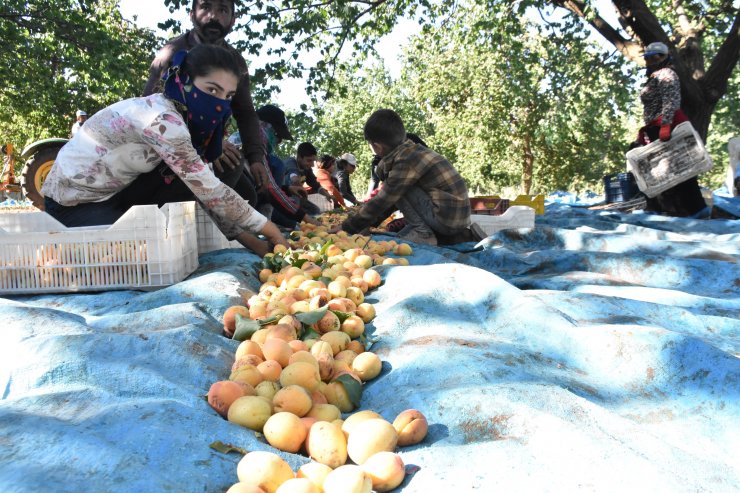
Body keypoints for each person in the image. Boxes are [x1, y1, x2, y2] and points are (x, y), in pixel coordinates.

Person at [41, 44, 288, 256]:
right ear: (184, 81)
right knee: (128, 257)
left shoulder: (184, 123)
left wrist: (253, 242)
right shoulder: (161, 120)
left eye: (228, 96)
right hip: (73, 202)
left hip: (117, 194)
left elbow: (205, 187)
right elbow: (211, 191)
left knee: (201, 175)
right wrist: (269, 229)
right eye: (211, 90)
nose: (219, 103)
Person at [143, 0, 270, 192]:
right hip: (167, 148)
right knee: (230, 167)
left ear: (233, 20)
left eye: (222, 10)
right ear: (192, 14)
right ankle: (183, 216)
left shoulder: (236, 62)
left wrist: (256, 158)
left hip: (208, 144)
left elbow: (245, 112)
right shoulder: (171, 53)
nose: (213, 16)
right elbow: (150, 110)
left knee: (249, 193)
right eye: (205, 7)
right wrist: (210, 143)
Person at [336, 110, 482, 246]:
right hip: (455, 218)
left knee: (395, 187)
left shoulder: (406, 161)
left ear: (377, 147)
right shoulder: (412, 152)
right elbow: (391, 203)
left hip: (447, 220)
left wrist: (349, 227)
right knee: (400, 235)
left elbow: (385, 199)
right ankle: (460, 237)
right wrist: (368, 224)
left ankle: (423, 233)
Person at [633, 41, 707, 217]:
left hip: (667, 126)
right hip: (655, 127)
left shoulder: (666, 74)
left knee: (681, 168)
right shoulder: (655, 76)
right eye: (648, 58)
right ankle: (674, 208)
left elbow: (671, 101)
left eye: (655, 57)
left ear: (664, 57)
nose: (651, 61)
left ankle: (695, 209)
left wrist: (666, 125)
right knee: (666, 169)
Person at [255, 104, 317, 228]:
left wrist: (287, 189)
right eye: (277, 135)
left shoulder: (261, 153)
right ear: (263, 127)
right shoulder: (257, 151)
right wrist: (304, 219)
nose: (279, 142)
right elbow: (271, 191)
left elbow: (264, 186)